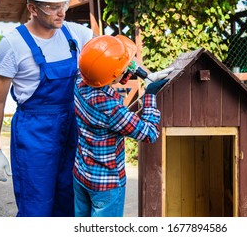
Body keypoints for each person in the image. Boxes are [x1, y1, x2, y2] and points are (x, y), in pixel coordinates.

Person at [0, 0, 94, 217]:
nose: (61, 12)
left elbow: (110, 52)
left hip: (72, 130)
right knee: (37, 207)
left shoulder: (75, 33)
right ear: (32, 8)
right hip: (35, 135)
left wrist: (141, 72)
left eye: (63, 5)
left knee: (71, 203)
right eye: (51, 7)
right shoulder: (13, 44)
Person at [73, 35, 173, 217]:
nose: (128, 67)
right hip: (106, 184)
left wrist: (144, 74)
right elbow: (150, 133)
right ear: (113, 75)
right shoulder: (111, 108)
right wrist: (150, 93)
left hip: (81, 174)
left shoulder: (81, 79)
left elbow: (111, 64)